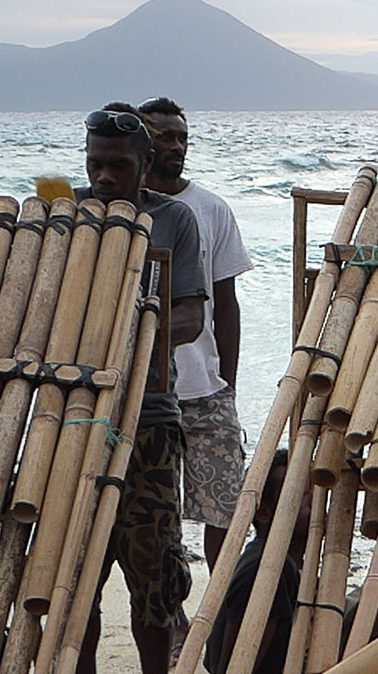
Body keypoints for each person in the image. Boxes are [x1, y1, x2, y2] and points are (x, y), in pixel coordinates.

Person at [76, 103, 207, 674]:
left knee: (154, 581)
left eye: (118, 167)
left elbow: (190, 318)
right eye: (95, 165)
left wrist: (129, 326)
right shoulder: (66, 215)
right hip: (72, 417)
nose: (105, 178)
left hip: (150, 421)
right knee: (71, 578)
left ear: (145, 162)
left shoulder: (175, 220)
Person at [136, 97, 252, 570]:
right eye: (166, 137)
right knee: (155, 515)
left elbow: (225, 304)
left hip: (205, 387)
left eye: (182, 137)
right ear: (143, 144)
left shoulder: (210, 209)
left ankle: (219, 605)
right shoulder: (124, 210)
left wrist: (230, 382)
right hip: (144, 389)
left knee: (226, 506)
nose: (177, 146)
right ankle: (177, 616)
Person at [207, 449, 310, 674]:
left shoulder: (273, 560)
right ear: (264, 512)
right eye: (296, 492)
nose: (309, 498)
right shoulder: (269, 567)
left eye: (308, 490)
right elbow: (237, 662)